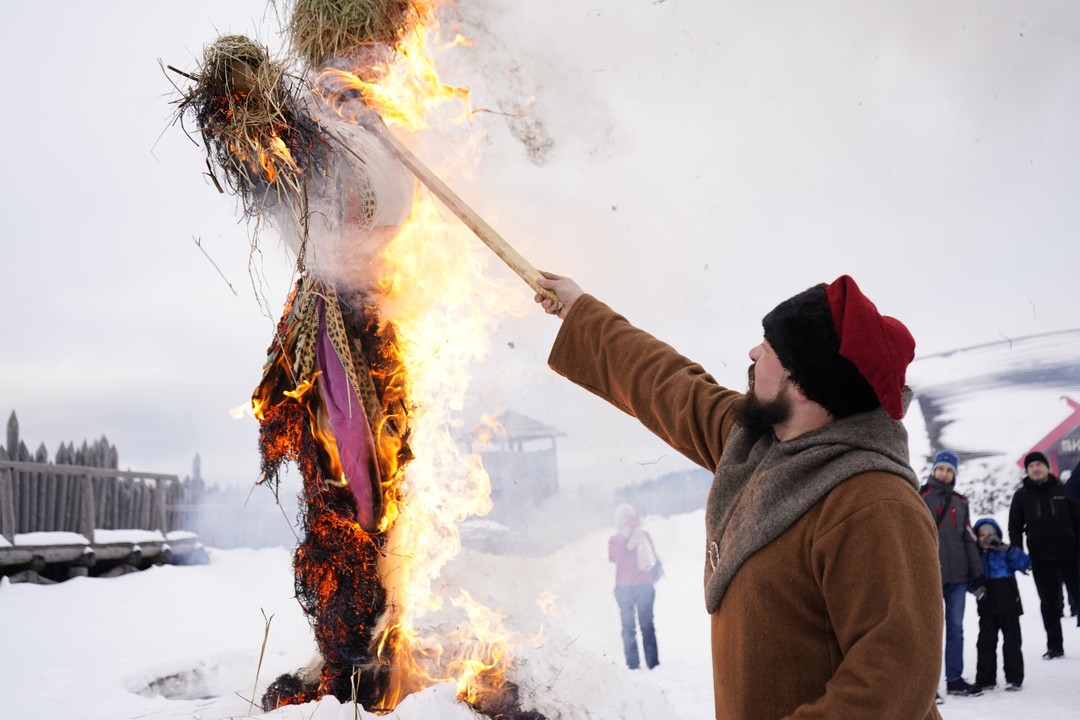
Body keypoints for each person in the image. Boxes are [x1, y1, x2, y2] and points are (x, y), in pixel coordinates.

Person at [535, 273, 943, 719]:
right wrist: (580, 312)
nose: (753, 353)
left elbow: (891, 684)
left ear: (805, 383)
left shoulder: (875, 503)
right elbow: (668, 384)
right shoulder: (755, 446)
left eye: (769, 347)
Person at [918, 450, 985, 697]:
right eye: (941, 469)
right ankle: (928, 685)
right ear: (934, 470)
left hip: (957, 577)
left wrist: (977, 573)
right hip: (929, 576)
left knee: (955, 628)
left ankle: (954, 679)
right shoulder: (920, 497)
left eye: (949, 470)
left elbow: (968, 539)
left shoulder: (961, 501)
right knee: (930, 630)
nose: (944, 474)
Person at [1008, 451, 1080, 657]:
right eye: (1031, 466)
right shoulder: (1021, 496)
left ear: (1047, 467)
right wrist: (1018, 552)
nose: (1036, 468)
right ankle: (1055, 646)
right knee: (1049, 604)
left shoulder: (1064, 490)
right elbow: (1015, 527)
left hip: (1070, 556)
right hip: (1041, 559)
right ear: (1027, 470)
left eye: (1039, 464)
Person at [971, 517, 1031, 692]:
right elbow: (969, 577)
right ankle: (985, 678)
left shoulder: (1005, 553)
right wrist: (975, 587)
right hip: (987, 606)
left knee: (1012, 642)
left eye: (990, 535)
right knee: (985, 643)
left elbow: (1025, 563)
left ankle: (1014, 678)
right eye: (982, 535)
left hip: (1009, 605)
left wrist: (1008, 549)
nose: (986, 538)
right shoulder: (976, 557)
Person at [608, 503, 660, 670]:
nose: (626, 522)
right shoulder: (615, 539)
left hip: (644, 586)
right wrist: (627, 541)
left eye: (629, 518)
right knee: (628, 626)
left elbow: (652, 557)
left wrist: (637, 538)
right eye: (623, 519)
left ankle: (653, 663)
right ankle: (632, 664)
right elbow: (615, 558)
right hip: (624, 589)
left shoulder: (643, 535)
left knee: (646, 625)